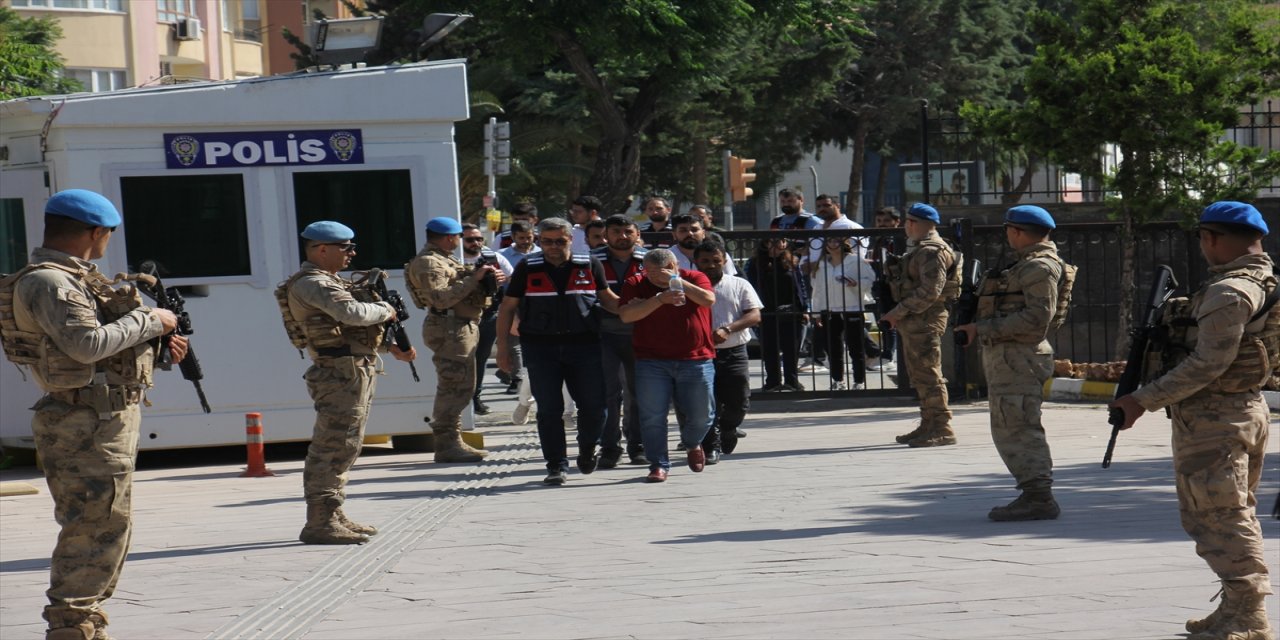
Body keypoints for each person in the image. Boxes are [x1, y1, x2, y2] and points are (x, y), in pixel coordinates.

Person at [0, 189, 187, 640]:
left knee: (107, 523)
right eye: (108, 234)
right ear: (95, 232)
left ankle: (83, 619)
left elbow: (102, 347)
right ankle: (71, 623)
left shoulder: (75, 278)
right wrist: (153, 321)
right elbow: (85, 345)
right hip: (83, 423)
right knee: (92, 525)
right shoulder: (51, 282)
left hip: (100, 419)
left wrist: (157, 349)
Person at [1110, 201, 1276, 640]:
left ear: (1211, 238)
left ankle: (1249, 615)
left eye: (1202, 239)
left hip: (1216, 420)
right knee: (1228, 513)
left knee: (1220, 517)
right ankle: (1234, 607)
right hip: (1239, 411)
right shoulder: (1264, 281)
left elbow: (1207, 365)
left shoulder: (1229, 292)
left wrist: (1141, 400)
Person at [281, 221, 418, 545]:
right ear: (321, 250)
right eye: (346, 248)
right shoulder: (313, 283)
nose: (352, 254)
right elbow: (351, 314)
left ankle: (333, 512)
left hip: (352, 369)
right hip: (338, 374)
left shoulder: (329, 281)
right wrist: (385, 309)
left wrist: (388, 347)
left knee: (347, 445)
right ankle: (320, 520)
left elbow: (347, 331)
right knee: (332, 445)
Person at [955, 205, 1067, 521]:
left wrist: (982, 329)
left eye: (1008, 230)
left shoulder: (1039, 267)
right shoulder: (1024, 265)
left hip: (1020, 358)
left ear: (1016, 231)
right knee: (1010, 425)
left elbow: (1037, 319)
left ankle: (1039, 497)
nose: (1006, 235)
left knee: (1019, 426)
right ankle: (1034, 494)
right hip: (1011, 357)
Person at [496, 217, 620, 485]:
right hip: (541, 348)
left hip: (585, 346)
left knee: (595, 407)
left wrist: (643, 306)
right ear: (539, 241)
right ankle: (556, 465)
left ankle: (588, 448)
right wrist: (502, 349)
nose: (553, 247)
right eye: (547, 241)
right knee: (549, 410)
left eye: (560, 241)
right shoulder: (527, 267)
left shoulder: (589, 264)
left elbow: (609, 300)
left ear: (570, 240)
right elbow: (507, 307)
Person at [619, 248, 716, 482]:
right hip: (651, 361)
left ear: (674, 266)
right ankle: (658, 464)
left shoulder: (694, 277)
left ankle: (692, 442)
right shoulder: (635, 283)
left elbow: (708, 299)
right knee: (652, 416)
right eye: (651, 272)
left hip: (696, 358)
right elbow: (627, 315)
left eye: (662, 271)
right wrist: (658, 299)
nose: (656, 277)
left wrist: (677, 282)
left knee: (703, 414)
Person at [404, 217, 495, 464]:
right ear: (449, 237)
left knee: (463, 386)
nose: (460, 241)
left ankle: (453, 440)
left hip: (460, 327)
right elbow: (440, 299)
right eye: (459, 237)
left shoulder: (445, 258)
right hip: (449, 328)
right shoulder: (429, 263)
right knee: (453, 386)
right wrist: (474, 279)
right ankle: (446, 445)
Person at [882, 203, 960, 447]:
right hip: (917, 319)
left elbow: (930, 291)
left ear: (914, 223)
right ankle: (928, 423)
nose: (906, 226)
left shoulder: (931, 251)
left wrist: (897, 312)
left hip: (925, 319)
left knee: (929, 374)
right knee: (919, 375)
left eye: (908, 221)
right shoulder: (923, 249)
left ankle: (942, 427)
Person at [694, 241, 762, 462]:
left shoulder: (739, 284)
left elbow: (754, 315)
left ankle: (728, 427)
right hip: (700, 355)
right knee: (706, 402)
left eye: (716, 260)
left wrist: (728, 329)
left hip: (734, 351)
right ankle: (710, 446)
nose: (711, 265)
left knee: (739, 400)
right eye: (705, 261)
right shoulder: (688, 286)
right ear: (696, 262)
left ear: (724, 261)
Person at [592, 214, 648, 467]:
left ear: (638, 234)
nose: (622, 236)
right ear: (606, 235)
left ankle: (638, 444)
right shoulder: (591, 260)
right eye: (616, 231)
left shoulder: (650, 260)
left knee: (638, 392)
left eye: (628, 231)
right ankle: (609, 447)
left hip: (640, 335)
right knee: (607, 394)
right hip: (602, 334)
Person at [458, 224, 513, 415]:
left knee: (480, 358)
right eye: (470, 239)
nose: (476, 243)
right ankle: (461, 400)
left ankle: (476, 398)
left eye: (479, 239)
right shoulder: (454, 259)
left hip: (488, 315)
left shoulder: (492, 257)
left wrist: (501, 279)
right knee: (461, 359)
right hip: (462, 316)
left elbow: (512, 278)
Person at [809, 235, 876, 390]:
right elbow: (817, 290)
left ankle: (859, 381)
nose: (832, 244)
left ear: (843, 243)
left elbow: (870, 279)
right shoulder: (822, 264)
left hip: (852, 308)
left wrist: (856, 284)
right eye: (829, 241)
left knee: (855, 346)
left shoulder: (855, 260)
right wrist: (817, 313)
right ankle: (837, 380)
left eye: (836, 240)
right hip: (829, 310)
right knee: (833, 348)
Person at [745, 237, 807, 392]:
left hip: (791, 310)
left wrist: (804, 308)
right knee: (769, 348)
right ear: (766, 243)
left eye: (784, 241)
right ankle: (773, 381)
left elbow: (801, 286)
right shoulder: (755, 263)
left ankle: (792, 381)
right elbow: (749, 286)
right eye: (777, 241)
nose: (782, 244)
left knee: (791, 348)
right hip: (766, 311)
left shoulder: (791, 261)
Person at [496, 220, 540, 394]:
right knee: (513, 342)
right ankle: (518, 378)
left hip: (536, 302)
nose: (526, 241)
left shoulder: (542, 253)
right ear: (513, 237)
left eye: (529, 237)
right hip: (511, 302)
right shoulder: (501, 256)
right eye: (521, 238)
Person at [869, 206, 903, 372]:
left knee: (891, 321)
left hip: (893, 286)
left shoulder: (896, 240)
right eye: (879, 221)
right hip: (880, 285)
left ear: (897, 222)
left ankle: (889, 355)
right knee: (883, 320)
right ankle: (886, 353)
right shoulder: (879, 240)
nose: (882, 224)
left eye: (887, 220)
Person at [671, 213, 737, 275]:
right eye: (683, 230)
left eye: (694, 230)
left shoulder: (719, 254)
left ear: (703, 233)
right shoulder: (668, 256)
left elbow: (729, 280)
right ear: (674, 234)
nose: (690, 233)